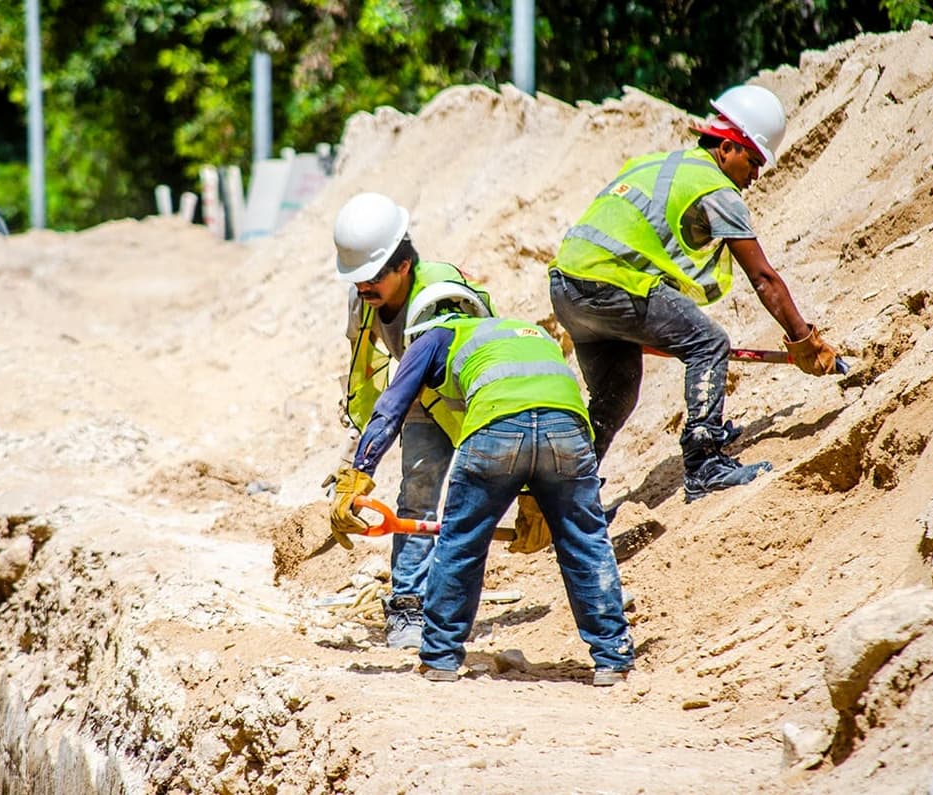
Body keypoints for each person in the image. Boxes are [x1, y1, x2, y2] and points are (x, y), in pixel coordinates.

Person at [548, 84, 841, 503]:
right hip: (612, 284)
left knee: (617, 393)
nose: (755, 176)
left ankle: (565, 494)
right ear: (726, 148)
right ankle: (704, 463)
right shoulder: (714, 189)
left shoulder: (659, 163)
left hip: (567, 288)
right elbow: (763, 278)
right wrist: (803, 340)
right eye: (753, 161)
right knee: (708, 343)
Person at [329, 285, 634, 685]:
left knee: (462, 540)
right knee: (585, 539)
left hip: (495, 427)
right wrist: (536, 501)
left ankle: (439, 656)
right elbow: (540, 403)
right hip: (570, 430)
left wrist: (358, 475)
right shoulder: (526, 332)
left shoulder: (435, 337)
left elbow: (390, 409)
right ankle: (612, 656)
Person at [330, 192, 494, 649]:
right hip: (420, 399)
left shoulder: (440, 292)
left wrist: (364, 464)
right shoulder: (363, 297)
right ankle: (408, 606)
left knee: (492, 495)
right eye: (357, 279)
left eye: (371, 279)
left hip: (471, 397)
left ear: (402, 265)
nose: (364, 288)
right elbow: (364, 378)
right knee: (418, 497)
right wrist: (354, 458)